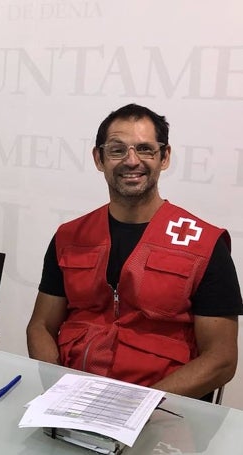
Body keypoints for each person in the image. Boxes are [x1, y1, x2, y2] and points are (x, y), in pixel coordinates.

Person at [26, 103, 242, 400]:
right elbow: (40, 326)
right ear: (98, 158)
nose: (131, 160)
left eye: (145, 149)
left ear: (164, 157)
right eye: (117, 150)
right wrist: (57, 387)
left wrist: (136, 407)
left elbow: (222, 359)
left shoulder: (204, 244)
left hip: (163, 413)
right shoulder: (70, 237)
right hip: (73, 402)